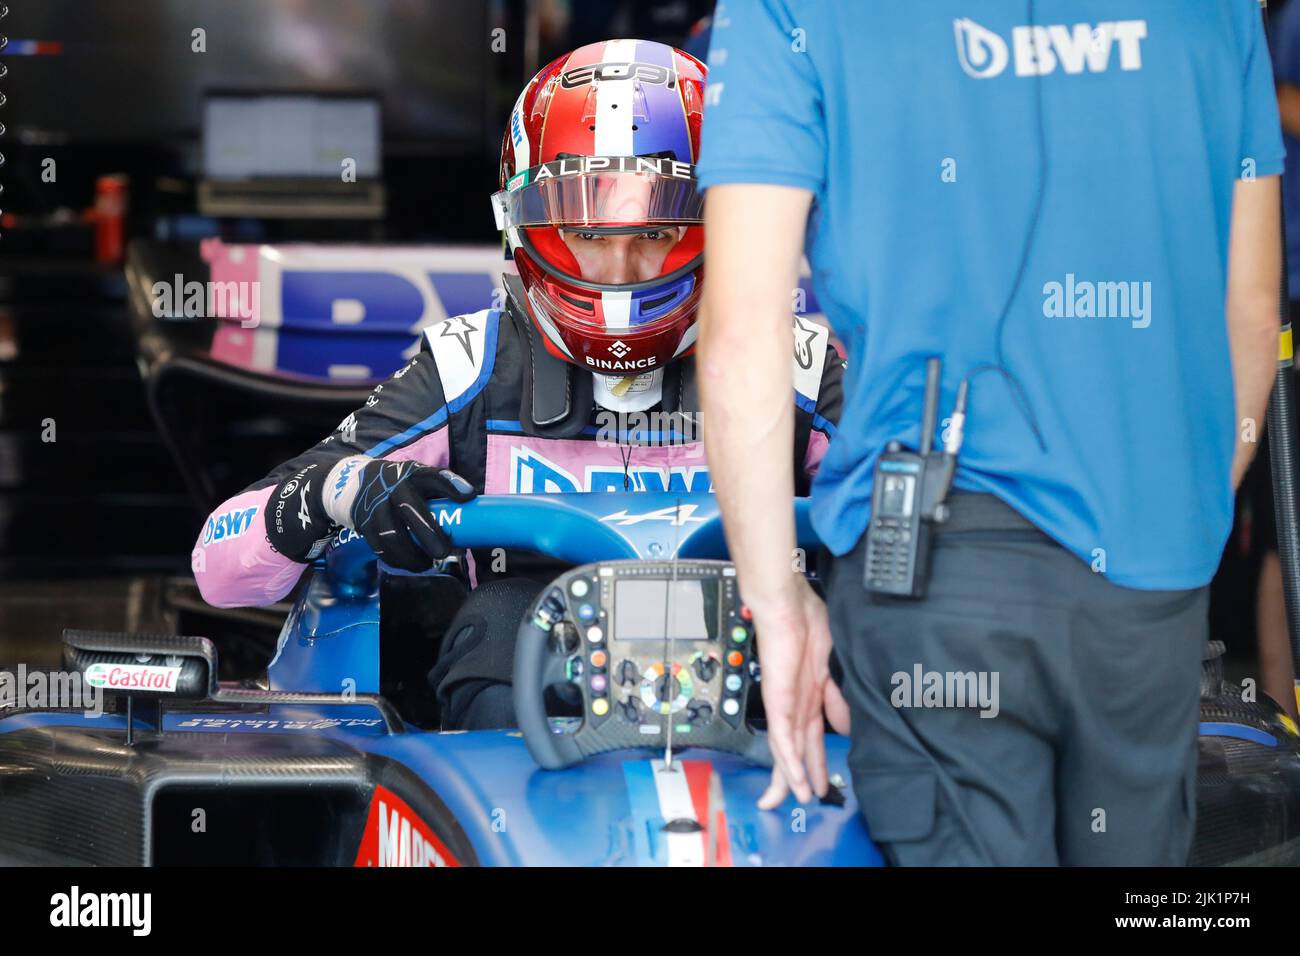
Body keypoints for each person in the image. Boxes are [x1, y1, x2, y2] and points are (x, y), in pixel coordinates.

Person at [696, 2, 1283, 865]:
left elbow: (744, 331)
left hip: (933, 571)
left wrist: (777, 607)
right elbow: (1253, 308)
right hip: (1147, 568)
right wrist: (1174, 514)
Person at [193, 39, 844, 730]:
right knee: (501, 627)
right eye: (587, 235)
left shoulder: (792, 362)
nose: (619, 270)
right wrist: (341, 491)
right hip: (518, 741)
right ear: (520, 222)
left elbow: (923, 535)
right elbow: (218, 565)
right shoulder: (469, 366)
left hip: (762, 718)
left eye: (656, 229)